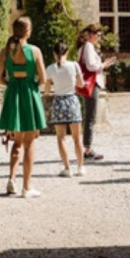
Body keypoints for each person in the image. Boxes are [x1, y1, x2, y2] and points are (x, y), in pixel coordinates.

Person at [0, 16, 47, 198]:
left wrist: (12, 82)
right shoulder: (35, 51)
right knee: (30, 142)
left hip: (13, 94)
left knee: (16, 141)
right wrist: (31, 82)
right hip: (29, 94)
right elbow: (43, 78)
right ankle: (27, 187)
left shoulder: (5, 51)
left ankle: (12, 180)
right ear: (28, 31)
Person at [44, 41, 86, 177]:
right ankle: (80, 167)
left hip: (59, 101)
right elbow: (81, 84)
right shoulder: (74, 65)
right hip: (72, 100)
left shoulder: (50, 69)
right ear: (67, 52)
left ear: (54, 53)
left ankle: (67, 168)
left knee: (61, 137)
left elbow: (46, 91)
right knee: (77, 137)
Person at [76, 24, 116, 161]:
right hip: (92, 84)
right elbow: (91, 66)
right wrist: (104, 65)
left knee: (89, 116)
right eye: (98, 34)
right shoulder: (88, 46)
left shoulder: (83, 47)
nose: (99, 37)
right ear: (91, 34)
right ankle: (87, 149)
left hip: (89, 83)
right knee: (90, 117)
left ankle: (87, 147)